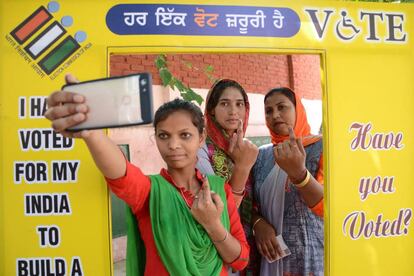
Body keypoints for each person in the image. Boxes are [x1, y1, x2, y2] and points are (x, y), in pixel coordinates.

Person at [44, 74, 250, 276]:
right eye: (164, 136)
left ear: (201, 137)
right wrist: (91, 133)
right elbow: (121, 173)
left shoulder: (219, 189)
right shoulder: (150, 192)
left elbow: (241, 260)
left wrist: (213, 224)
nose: (173, 144)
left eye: (185, 135)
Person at [251, 87, 324, 276]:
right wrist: (257, 223)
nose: (275, 115)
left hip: (313, 258)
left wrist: (300, 174)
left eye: (282, 107)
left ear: (297, 109)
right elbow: (248, 204)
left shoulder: (322, 147)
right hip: (272, 258)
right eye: (268, 111)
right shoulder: (261, 156)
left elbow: (329, 207)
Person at [196, 79, 259, 275]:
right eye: (224, 103)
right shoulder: (200, 147)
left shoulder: (245, 147)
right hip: (213, 241)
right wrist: (241, 166)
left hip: (244, 239)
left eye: (239, 104)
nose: (233, 111)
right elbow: (216, 208)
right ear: (212, 109)